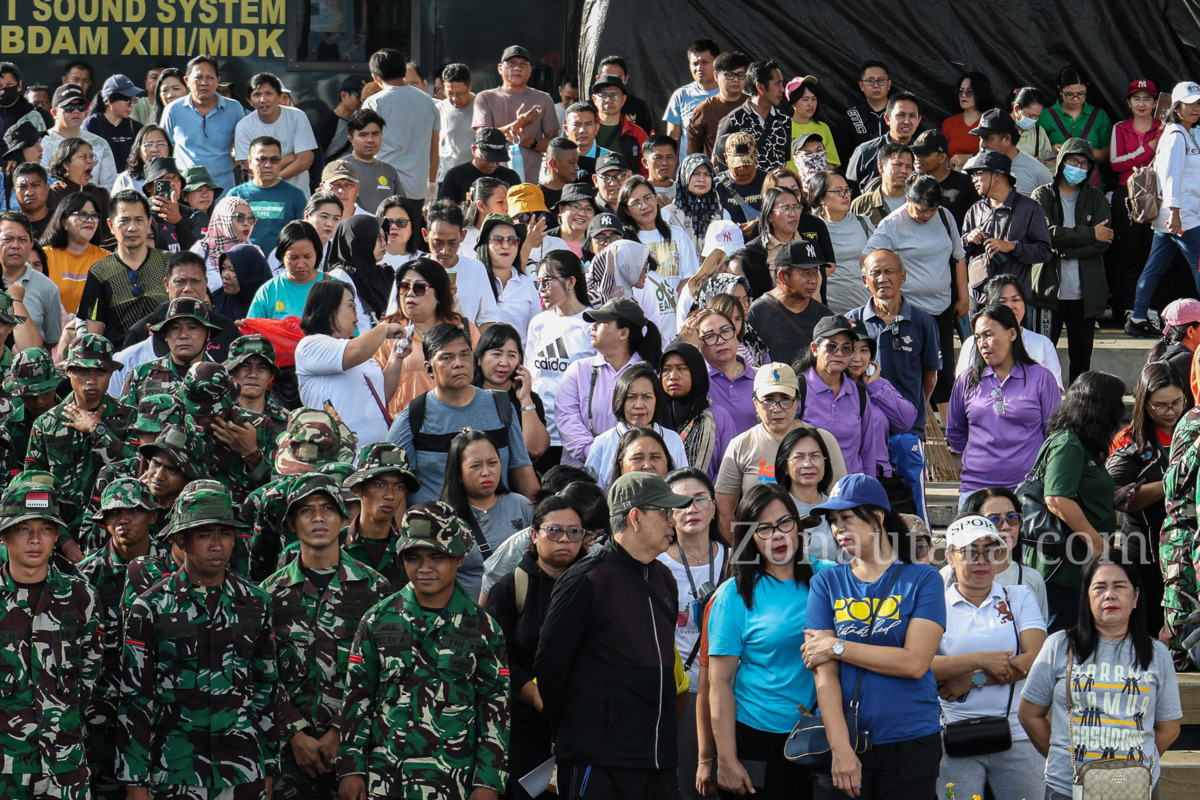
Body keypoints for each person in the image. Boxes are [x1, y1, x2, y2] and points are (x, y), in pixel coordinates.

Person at [534, 471, 690, 799]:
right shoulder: (586, 579)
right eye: (664, 513)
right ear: (635, 517)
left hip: (659, 759)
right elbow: (550, 667)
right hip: (600, 761)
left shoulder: (665, 578)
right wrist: (572, 734)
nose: (673, 522)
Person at [338, 502, 509, 800]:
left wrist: (488, 782)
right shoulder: (378, 619)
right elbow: (357, 697)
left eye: (437, 557)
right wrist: (351, 770)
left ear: (458, 558)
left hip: (453, 782)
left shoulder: (484, 629)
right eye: (413, 557)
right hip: (384, 780)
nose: (424, 567)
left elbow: (495, 709)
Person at [117, 480, 276, 799]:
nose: (217, 544)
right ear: (180, 538)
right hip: (174, 773)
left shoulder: (256, 603)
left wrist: (269, 767)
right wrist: (135, 784)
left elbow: (266, 689)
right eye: (204, 534)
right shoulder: (150, 606)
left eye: (226, 533)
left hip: (242, 773)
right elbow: (135, 699)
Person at [800, 474, 945, 800]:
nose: (837, 528)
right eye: (833, 521)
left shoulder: (923, 579)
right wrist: (840, 750)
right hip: (845, 740)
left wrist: (836, 646)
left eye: (847, 517)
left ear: (877, 517)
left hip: (911, 741)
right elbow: (824, 673)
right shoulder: (826, 584)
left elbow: (914, 663)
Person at [260, 473, 391, 800]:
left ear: (343, 517)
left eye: (327, 509)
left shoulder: (377, 590)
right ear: (291, 523)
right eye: (306, 511)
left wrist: (340, 732)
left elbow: (386, 672)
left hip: (356, 756)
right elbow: (257, 673)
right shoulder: (266, 594)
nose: (318, 518)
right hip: (286, 758)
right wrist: (295, 734)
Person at [1018, 551, 1182, 800]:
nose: (1109, 595)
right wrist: (1063, 756)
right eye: (1099, 587)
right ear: (1086, 597)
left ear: (1136, 595)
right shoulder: (1059, 646)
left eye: (1119, 586)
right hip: (1068, 787)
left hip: (1136, 787)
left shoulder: (1157, 654)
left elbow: (1169, 727)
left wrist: (1133, 765)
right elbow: (1029, 714)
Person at [708, 483, 815, 799]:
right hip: (756, 737)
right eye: (764, 528)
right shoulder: (734, 594)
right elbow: (720, 683)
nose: (778, 535)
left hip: (818, 735)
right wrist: (725, 758)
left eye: (785, 522)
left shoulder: (826, 579)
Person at [0, 475, 102, 800]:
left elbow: (91, 670)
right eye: (23, 528)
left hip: (65, 766)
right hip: (6, 769)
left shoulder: (81, 596)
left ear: (57, 534)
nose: (35, 539)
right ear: (4, 535)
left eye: (45, 528)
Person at [932, 515, 1048, 800]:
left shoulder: (1018, 596)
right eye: (970, 551)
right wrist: (982, 659)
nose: (981, 559)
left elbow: (1036, 659)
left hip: (1019, 734)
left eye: (991, 550)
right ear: (950, 557)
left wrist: (973, 679)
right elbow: (923, 665)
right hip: (953, 734)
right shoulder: (935, 602)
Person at [485, 493, 587, 800]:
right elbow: (496, 657)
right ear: (533, 535)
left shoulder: (595, 583)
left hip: (584, 724)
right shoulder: (510, 587)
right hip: (524, 728)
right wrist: (541, 698)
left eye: (574, 532)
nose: (565, 540)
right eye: (554, 530)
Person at [388, 322, 538, 505]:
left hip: (495, 529)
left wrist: (540, 519)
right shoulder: (413, 417)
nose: (458, 363)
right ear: (429, 369)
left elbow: (522, 470)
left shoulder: (500, 406)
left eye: (464, 355)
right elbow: (393, 484)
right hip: (437, 529)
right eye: (447, 358)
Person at [1024, 371, 1126, 631]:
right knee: (1060, 638)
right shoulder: (1068, 443)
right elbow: (1057, 498)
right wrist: (1096, 544)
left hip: (1077, 563)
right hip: (1063, 566)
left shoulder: (1081, 444)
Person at [713, 362, 846, 542]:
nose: (777, 408)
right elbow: (725, 511)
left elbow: (840, 501)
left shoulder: (823, 440)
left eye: (785, 398)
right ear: (755, 403)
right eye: (768, 400)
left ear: (797, 401)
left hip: (820, 545)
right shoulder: (740, 445)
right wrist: (744, 553)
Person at [947, 303, 1060, 500]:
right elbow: (956, 433)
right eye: (978, 337)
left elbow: (1053, 435)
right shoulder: (967, 380)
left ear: (1012, 334)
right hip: (976, 488)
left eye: (988, 334)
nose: (982, 343)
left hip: (1028, 489)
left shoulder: (1041, 378)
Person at [1107, 362, 1188, 634]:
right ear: (1143, 402)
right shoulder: (1129, 439)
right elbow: (1122, 499)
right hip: (1144, 547)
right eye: (1160, 405)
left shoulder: (1192, 431)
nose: (1171, 411)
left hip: (1189, 549)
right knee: (1148, 625)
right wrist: (1174, 482)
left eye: (1177, 402)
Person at [1030, 137, 1112, 383]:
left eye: (1085, 164)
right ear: (1062, 161)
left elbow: (1103, 241)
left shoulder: (1096, 199)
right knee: (1041, 360)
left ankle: (1078, 414)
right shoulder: (1042, 194)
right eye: (1073, 161)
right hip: (1048, 293)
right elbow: (1044, 234)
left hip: (1084, 296)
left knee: (1081, 362)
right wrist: (1088, 233)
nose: (1079, 167)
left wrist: (1063, 249)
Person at [1126, 81, 1200, 338]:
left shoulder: (1184, 133)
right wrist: (1176, 213)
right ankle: (1136, 316)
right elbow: (1170, 177)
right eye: (1189, 104)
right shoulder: (1177, 135)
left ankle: (1137, 317)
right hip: (1181, 217)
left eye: (1198, 103)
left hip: (1175, 216)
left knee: (1154, 267)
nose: (1195, 108)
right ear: (1176, 108)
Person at [295, 279, 406, 447]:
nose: (356, 313)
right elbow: (356, 351)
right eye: (351, 305)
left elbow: (380, 395)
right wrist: (383, 328)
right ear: (329, 309)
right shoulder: (310, 345)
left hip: (374, 457)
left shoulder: (359, 351)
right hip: (337, 462)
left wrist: (397, 356)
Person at [555, 297, 662, 465]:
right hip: (582, 474)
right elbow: (566, 418)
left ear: (623, 333)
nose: (593, 326)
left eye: (601, 322)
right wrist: (596, 453)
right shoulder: (578, 370)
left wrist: (626, 457)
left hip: (634, 468)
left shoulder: (650, 374)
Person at [847, 248, 941, 436]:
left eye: (889, 271)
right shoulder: (851, 322)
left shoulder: (924, 322)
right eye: (876, 273)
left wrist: (911, 412)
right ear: (865, 281)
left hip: (909, 428)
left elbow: (930, 378)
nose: (883, 278)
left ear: (903, 276)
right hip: (864, 425)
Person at [375, 257, 480, 418]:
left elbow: (480, 378)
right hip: (406, 428)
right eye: (404, 286)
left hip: (457, 424)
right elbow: (375, 393)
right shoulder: (386, 332)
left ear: (439, 293)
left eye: (419, 288)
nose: (410, 293)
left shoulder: (463, 328)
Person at [439, 427, 534, 600]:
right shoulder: (444, 516)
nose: (486, 472)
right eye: (475, 466)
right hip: (466, 614)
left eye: (492, 463)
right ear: (458, 473)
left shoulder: (522, 505)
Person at [525, 250, 594, 462]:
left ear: (571, 281)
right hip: (540, 435)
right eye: (538, 283)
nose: (542, 289)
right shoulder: (538, 322)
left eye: (547, 281)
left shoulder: (592, 325)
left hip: (576, 438)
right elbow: (530, 376)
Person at [961, 150, 1054, 309]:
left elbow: (1044, 252)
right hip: (979, 297)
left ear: (997, 174)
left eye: (978, 173)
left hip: (1012, 301)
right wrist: (969, 239)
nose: (974, 179)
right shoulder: (975, 210)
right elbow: (960, 253)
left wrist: (1012, 246)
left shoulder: (1030, 208)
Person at [796, 314, 885, 476]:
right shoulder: (798, 390)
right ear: (814, 349)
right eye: (831, 346)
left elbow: (867, 452)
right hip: (810, 492)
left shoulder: (859, 394)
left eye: (846, 347)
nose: (839, 353)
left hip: (851, 492)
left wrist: (868, 489)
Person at [78, 190, 170, 344]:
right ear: (111, 225)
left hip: (165, 358)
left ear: (149, 224)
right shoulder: (100, 272)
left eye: (139, 220)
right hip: (121, 361)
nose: (132, 228)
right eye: (124, 221)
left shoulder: (168, 262)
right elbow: (95, 330)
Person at [1106, 80, 1163, 321]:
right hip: (1128, 194)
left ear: (1155, 103)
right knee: (1132, 252)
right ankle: (1131, 307)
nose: (1142, 103)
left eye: (1147, 98)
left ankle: (1155, 307)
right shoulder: (1120, 127)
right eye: (1136, 98)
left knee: (1158, 252)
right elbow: (1116, 163)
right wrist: (1146, 150)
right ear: (1128, 103)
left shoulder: (1164, 127)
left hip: (1159, 194)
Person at [585, 362, 688, 487]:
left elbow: (682, 486)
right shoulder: (602, 443)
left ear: (657, 400)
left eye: (647, 397)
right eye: (631, 397)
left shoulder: (673, 440)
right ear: (620, 400)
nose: (639, 405)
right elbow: (591, 493)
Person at [955, 273, 1064, 389]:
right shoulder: (973, 344)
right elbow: (962, 390)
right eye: (1002, 302)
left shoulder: (1043, 343)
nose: (1010, 306)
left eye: (1016, 300)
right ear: (988, 307)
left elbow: (1055, 392)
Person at [473, 44, 558, 185]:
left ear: (530, 70)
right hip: (494, 182)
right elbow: (482, 139)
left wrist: (531, 142)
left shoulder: (544, 99)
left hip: (533, 183)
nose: (517, 68)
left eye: (523, 64)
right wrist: (519, 123)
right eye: (511, 63)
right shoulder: (485, 97)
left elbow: (554, 144)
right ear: (500, 68)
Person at [159, 55, 245, 195]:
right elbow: (163, 151)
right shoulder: (173, 110)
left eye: (209, 77)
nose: (204, 83)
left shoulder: (234, 109)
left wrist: (223, 164)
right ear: (187, 81)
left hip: (223, 189)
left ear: (218, 81)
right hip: (186, 191)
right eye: (198, 77)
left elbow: (244, 149)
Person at [361, 48, 439, 199]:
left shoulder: (375, 102)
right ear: (404, 72)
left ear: (375, 78)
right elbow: (434, 148)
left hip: (381, 185)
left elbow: (364, 145)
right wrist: (432, 183)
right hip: (416, 188)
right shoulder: (428, 101)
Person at [745, 241, 833, 366]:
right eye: (806, 273)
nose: (813, 280)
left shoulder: (825, 316)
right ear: (782, 277)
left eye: (815, 272)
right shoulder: (757, 312)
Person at [120, 296, 221, 405]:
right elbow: (124, 420)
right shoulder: (140, 376)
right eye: (175, 328)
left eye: (192, 328)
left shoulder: (221, 377)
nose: (183, 335)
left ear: (208, 334)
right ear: (165, 335)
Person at [473, 322, 551, 462]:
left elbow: (535, 450)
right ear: (480, 358)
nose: (504, 362)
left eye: (511, 355)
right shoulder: (467, 395)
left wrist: (525, 400)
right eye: (496, 354)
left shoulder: (529, 398)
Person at [247, 221, 352, 320]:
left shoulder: (336, 289)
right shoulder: (269, 291)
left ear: (317, 254)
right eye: (293, 258)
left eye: (307, 257)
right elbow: (253, 330)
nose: (301, 265)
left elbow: (351, 332)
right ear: (281, 256)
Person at [234, 72, 317, 197]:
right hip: (263, 199)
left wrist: (271, 180)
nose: (263, 100)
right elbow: (253, 168)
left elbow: (304, 161)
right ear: (249, 100)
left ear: (280, 97)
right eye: (257, 95)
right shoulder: (243, 126)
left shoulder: (298, 117)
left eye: (268, 93)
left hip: (298, 197)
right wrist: (290, 158)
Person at [423, 199, 499, 329]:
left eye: (452, 243)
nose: (445, 250)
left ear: (463, 236)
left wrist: (473, 345)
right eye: (438, 243)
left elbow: (488, 319)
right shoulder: (413, 271)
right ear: (426, 235)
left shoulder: (476, 269)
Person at [227, 136, 307, 253]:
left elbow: (303, 237)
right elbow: (224, 235)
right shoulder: (235, 195)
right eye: (262, 159)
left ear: (280, 162)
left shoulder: (296, 195)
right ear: (250, 161)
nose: (268, 165)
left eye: (274, 159)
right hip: (244, 262)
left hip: (282, 265)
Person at [808, 171, 874, 312]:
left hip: (865, 310)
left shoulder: (863, 222)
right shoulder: (811, 229)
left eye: (846, 190)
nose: (845, 195)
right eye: (838, 191)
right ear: (821, 198)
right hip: (828, 314)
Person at [774, 425, 841, 562]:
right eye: (799, 457)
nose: (808, 464)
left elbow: (851, 560)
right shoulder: (775, 508)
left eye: (815, 456)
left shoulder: (836, 509)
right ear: (785, 467)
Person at [745, 185, 833, 284]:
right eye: (786, 208)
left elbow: (821, 289)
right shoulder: (755, 250)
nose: (793, 213)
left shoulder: (811, 245)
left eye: (796, 207)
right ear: (769, 215)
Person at [40, 191, 110, 315]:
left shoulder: (107, 259)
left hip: (91, 331)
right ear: (64, 222)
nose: (90, 220)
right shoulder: (44, 256)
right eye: (83, 214)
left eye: (94, 216)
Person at [712, 59, 789, 171]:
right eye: (778, 84)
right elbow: (716, 162)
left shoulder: (784, 120)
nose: (782, 89)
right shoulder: (733, 120)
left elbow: (784, 162)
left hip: (774, 187)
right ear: (760, 87)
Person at [0, 209, 62, 347]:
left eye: (22, 240)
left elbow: (51, 342)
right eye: (7, 239)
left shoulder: (48, 288)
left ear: (31, 244)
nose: (15, 246)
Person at [41, 84, 118, 190]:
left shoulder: (100, 143)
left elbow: (109, 186)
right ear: (54, 113)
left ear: (85, 112)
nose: (76, 111)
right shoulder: (41, 143)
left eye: (81, 106)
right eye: (69, 107)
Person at [475, 212, 540, 335]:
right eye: (498, 240)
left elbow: (536, 331)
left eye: (512, 240)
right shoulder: (474, 281)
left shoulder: (526, 283)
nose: (505, 246)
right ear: (484, 244)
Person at [1036, 66, 1113, 167]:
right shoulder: (1045, 115)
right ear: (1060, 90)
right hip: (1055, 177)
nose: (1076, 99)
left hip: (1090, 180)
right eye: (1069, 94)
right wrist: (1052, 149)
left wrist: (1088, 151)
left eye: (1081, 93)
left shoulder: (1099, 115)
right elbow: (1034, 150)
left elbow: (1108, 155)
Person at [845, 91, 921, 193]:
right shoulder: (865, 151)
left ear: (918, 120)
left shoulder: (923, 155)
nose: (907, 121)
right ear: (887, 118)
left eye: (912, 116)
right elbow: (849, 190)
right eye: (901, 115)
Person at [970, 108, 1055, 198]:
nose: (983, 144)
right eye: (981, 138)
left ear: (1007, 139)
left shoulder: (1037, 171)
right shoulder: (971, 168)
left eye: (988, 139)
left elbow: (1051, 207)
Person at [910, 130, 981, 228]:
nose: (918, 158)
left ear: (942, 157)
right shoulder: (911, 183)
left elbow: (978, 219)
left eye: (924, 154)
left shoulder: (965, 183)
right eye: (915, 153)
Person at [687, 51, 751, 158]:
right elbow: (693, 153)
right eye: (730, 75)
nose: (736, 80)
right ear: (716, 76)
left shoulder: (754, 105)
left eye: (741, 75)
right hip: (716, 173)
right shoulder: (704, 109)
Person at [438, 126, 522, 204]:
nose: (492, 165)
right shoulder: (455, 175)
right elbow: (443, 210)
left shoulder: (511, 177)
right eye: (487, 159)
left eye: (497, 160)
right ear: (474, 150)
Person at [588, 74, 649, 178]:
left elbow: (646, 169)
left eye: (614, 95)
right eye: (603, 95)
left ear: (624, 100)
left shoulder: (637, 133)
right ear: (594, 100)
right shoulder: (585, 129)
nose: (609, 100)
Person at [82, 74, 145, 171]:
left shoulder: (137, 127)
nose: (132, 105)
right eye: (128, 101)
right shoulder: (91, 125)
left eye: (134, 101)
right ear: (110, 102)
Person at [673, 154, 732, 255]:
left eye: (707, 174)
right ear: (685, 175)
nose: (702, 179)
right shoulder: (669, 215)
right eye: (695, 173)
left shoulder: (722, 215)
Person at [46, 135, 111, 213]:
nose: (90, 161)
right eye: (83, 156)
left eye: (91, 156)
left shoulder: (100, 194)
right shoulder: (54, 194)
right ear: (67, 164)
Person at [941, 72, 992, 168]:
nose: (963, 95)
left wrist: (970, 158)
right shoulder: (949, 124)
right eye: (961, 91)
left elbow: (998, 156)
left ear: (980, 93)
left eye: (969, 91)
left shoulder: (992, 122)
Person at [841, 62, 892, 156]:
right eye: (870, 81)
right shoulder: (852, 116)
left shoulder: (901, 113)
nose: (876, 85)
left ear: (889, 84)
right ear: (861, 86)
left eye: (881, 80)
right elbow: (844, 155)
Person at [787, 75, 840, 166]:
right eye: (805, 99)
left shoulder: (823, 128)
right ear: (793, 103)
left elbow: (832, 164)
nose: (811, 104)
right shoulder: (782, 128)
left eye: (814, 99)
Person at [212, 243, 272, 322]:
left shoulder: (272, 303)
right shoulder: (214, 303)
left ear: (250, 274)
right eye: (223, 268)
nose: (225, 275)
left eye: (232, 270)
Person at [313, 75, 365, 163]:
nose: (362, 101)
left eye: (364, 98)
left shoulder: (359, 122)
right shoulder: (329, 122)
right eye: (358, 97)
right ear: (343, 95)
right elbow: (316, 156)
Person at [1010, 87, 1055, 165]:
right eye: (1031, 115)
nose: (1034, 120)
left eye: (1037, 116)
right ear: (1017, 109)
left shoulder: (1039, 132)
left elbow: (1050, 166)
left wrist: (1042, 165)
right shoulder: (1000, 129)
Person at [12, 162, 52, 239]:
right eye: (22, 187)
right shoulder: (6, 226)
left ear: (47, 188)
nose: (29, 193)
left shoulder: (61, 223)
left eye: (35, 185)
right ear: (15, 192)